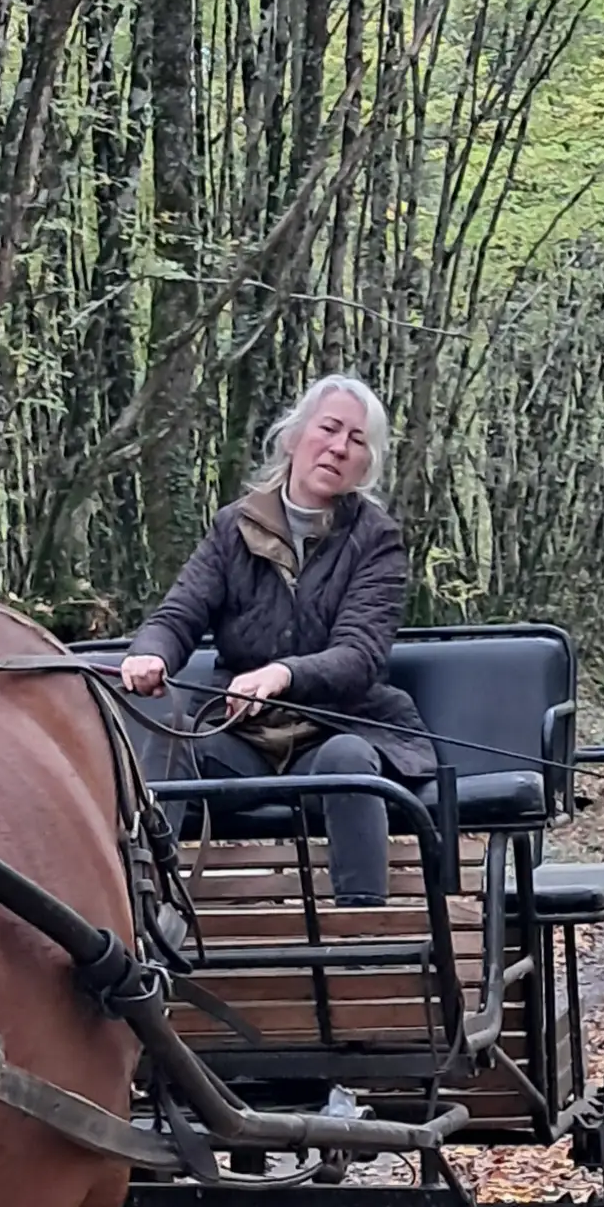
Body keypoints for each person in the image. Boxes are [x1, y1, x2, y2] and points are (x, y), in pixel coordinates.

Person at [119, 376, 435, 906]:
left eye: (356, 440)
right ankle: (146, 914)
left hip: (336, 730)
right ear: (293, 437)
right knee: (168, 737)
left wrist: (283, 674)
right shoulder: (231, 528)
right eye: (329, 428)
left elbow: (359, 656)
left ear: (365, 464)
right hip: (240, 737)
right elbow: (178, 615)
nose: (339, 446)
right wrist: (149, 653)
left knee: (350, 761)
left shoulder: (377, 539)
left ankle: (361, 939)